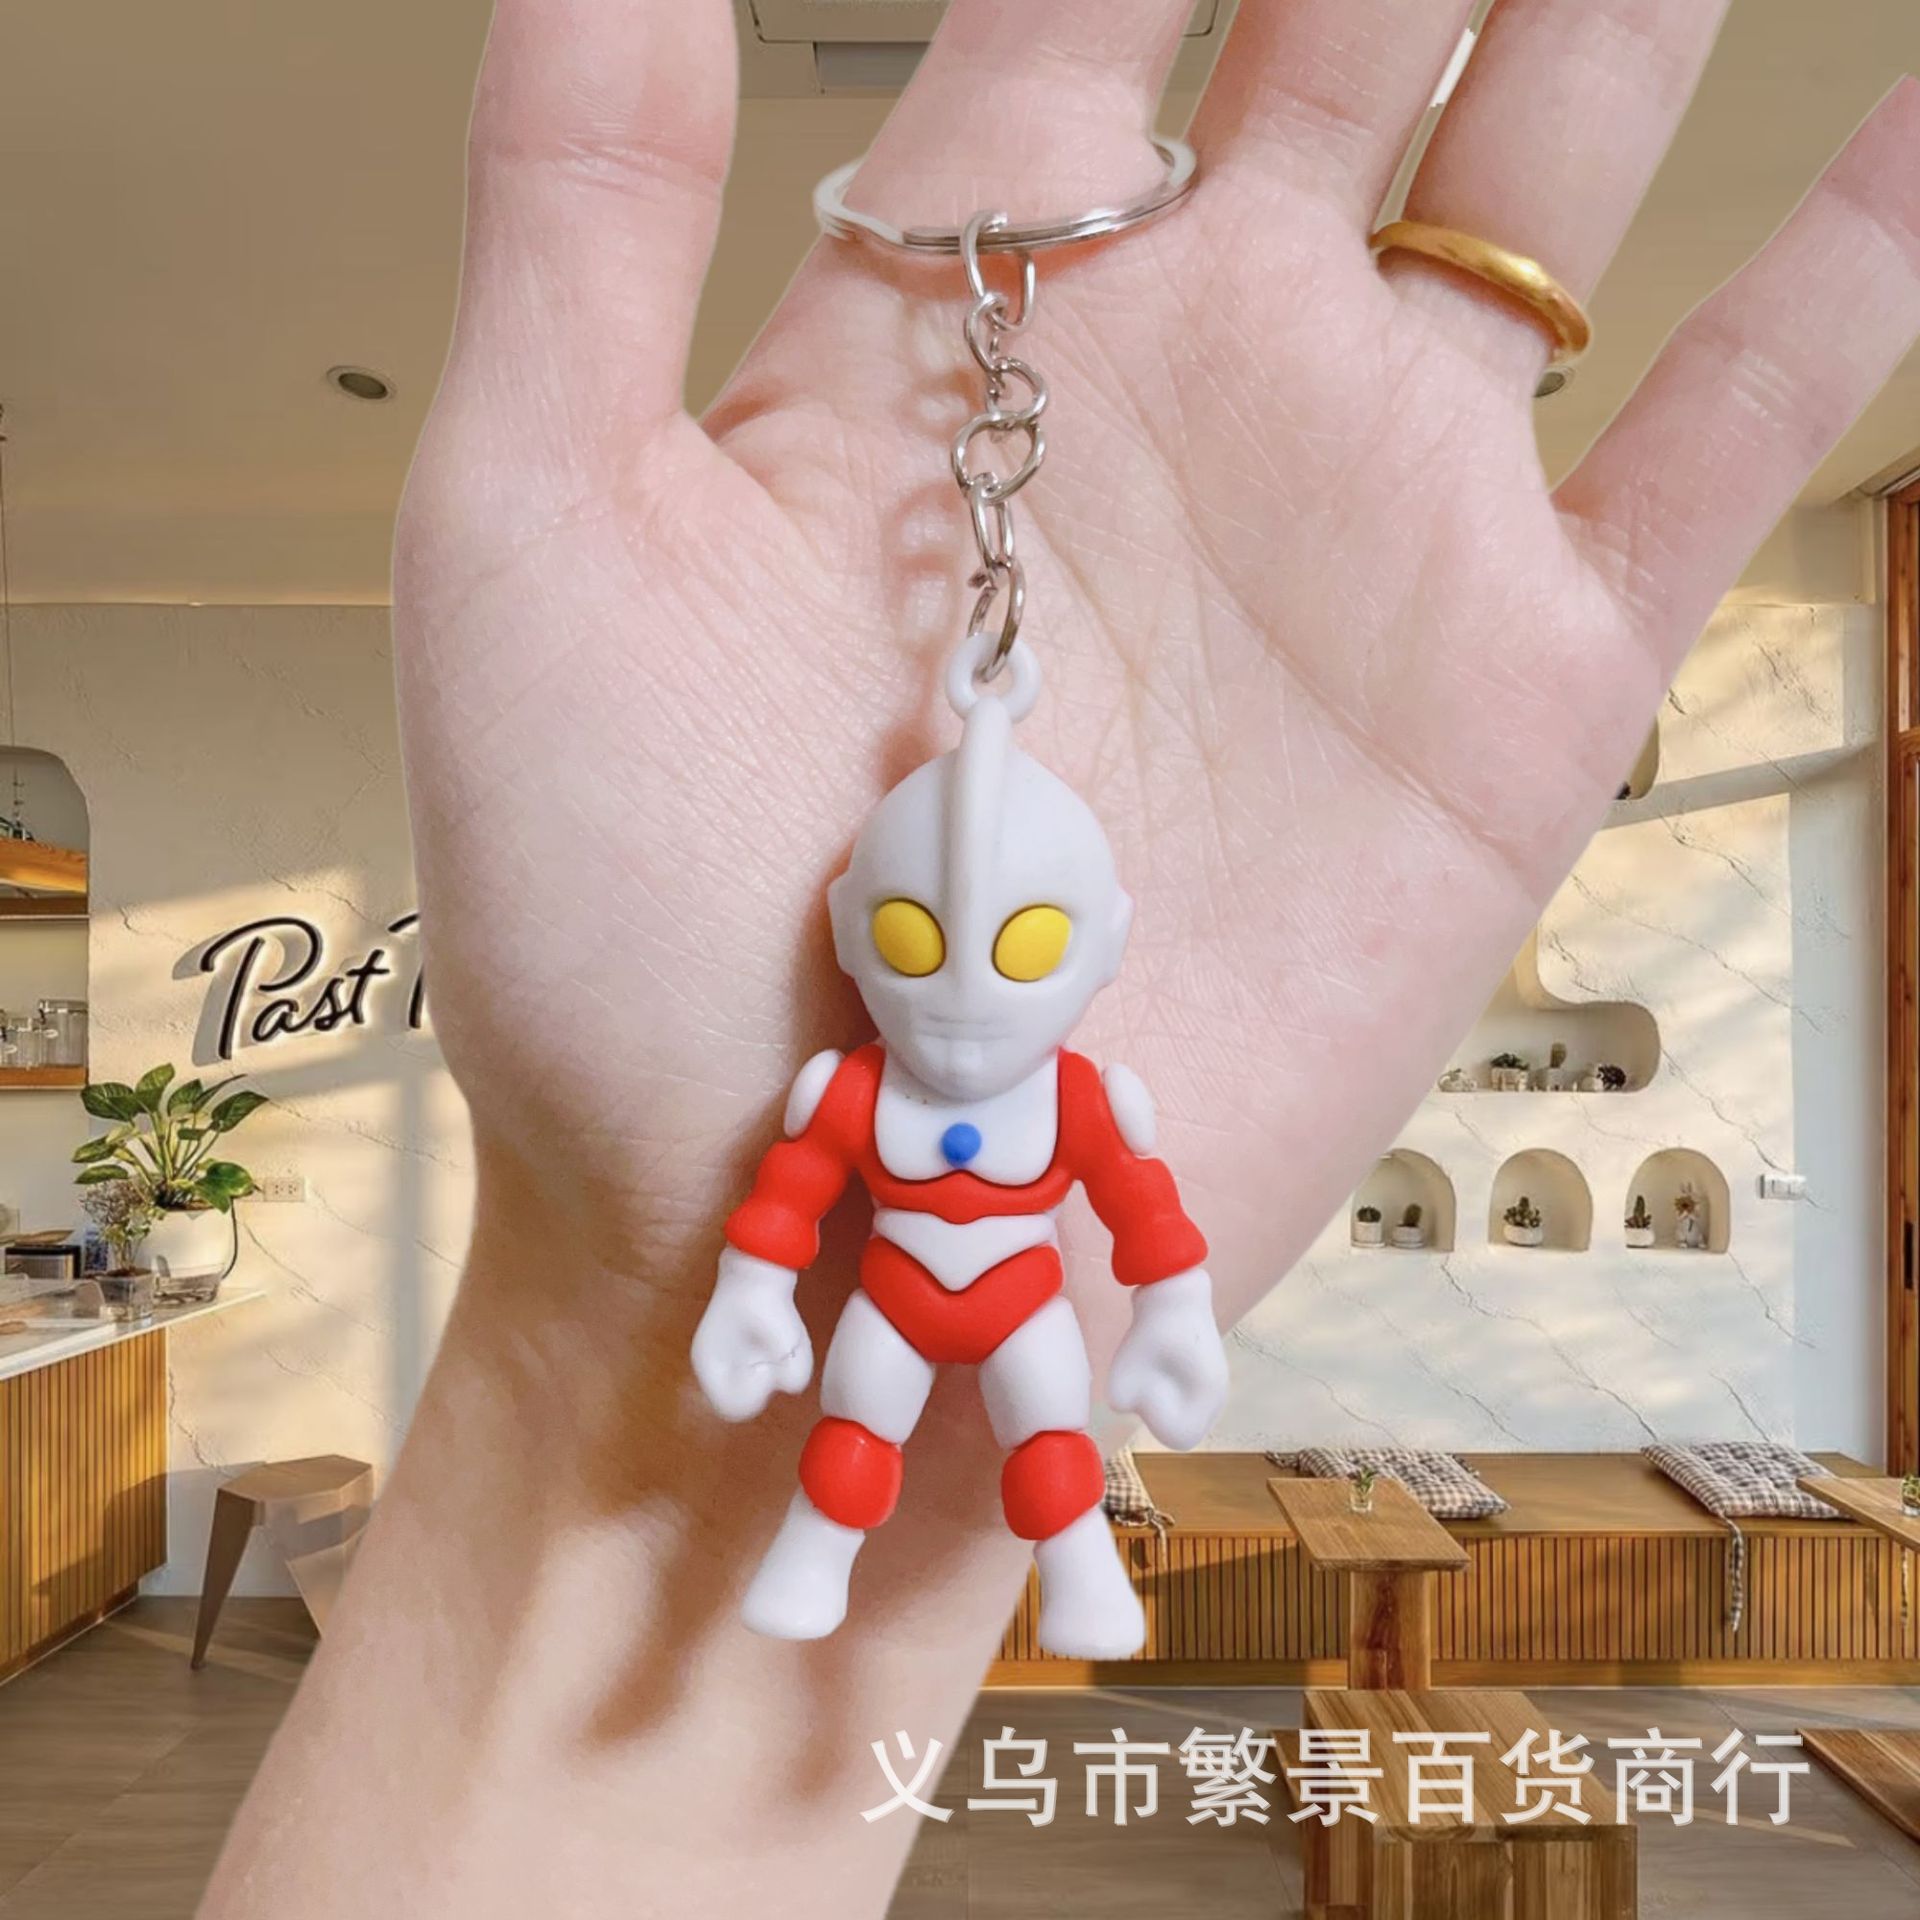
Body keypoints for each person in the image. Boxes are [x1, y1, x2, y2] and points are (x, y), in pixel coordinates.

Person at [199, 2, 1920, 1915]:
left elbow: (1141, 1212)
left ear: (1089, 948)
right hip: (895, 1302)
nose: (957, 978)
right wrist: (721, 1299)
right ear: (853, 934)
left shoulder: (1069, 1088)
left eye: (1010, 941)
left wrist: (1166, 1320)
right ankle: (816, 1553)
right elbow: (783, 1201)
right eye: (916, 936)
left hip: (1019, 1293)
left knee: (1040, 1419)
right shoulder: (844, 1081)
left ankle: (1078, 1560)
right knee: (858, 1414)